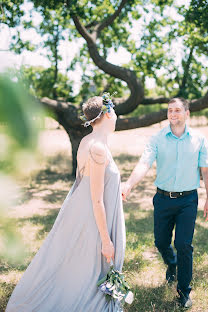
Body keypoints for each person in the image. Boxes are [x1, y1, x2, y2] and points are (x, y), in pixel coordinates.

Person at [6, 94, 126, 312]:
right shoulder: (97, 147)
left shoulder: (88, 141)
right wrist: (106, 240)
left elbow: (90, 184)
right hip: (92, 217)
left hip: (85, 210)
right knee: (87, 266)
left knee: (78, 265)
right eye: (114, 112)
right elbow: (97, 198)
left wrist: (115, 190)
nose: (116, 116)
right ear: (108, 114)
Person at [122, 97, 208, 309]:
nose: (173, 114)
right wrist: (129, 184)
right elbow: (144, 163)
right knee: (161, 242)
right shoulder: (158, 139)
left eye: (177, 110)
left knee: (184, 245)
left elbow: (205, 170)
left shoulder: (199, 139)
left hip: (188, 199)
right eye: (170, 110)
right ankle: (172, 263)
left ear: (187, 114)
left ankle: (184, 292)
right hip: (163, 199)